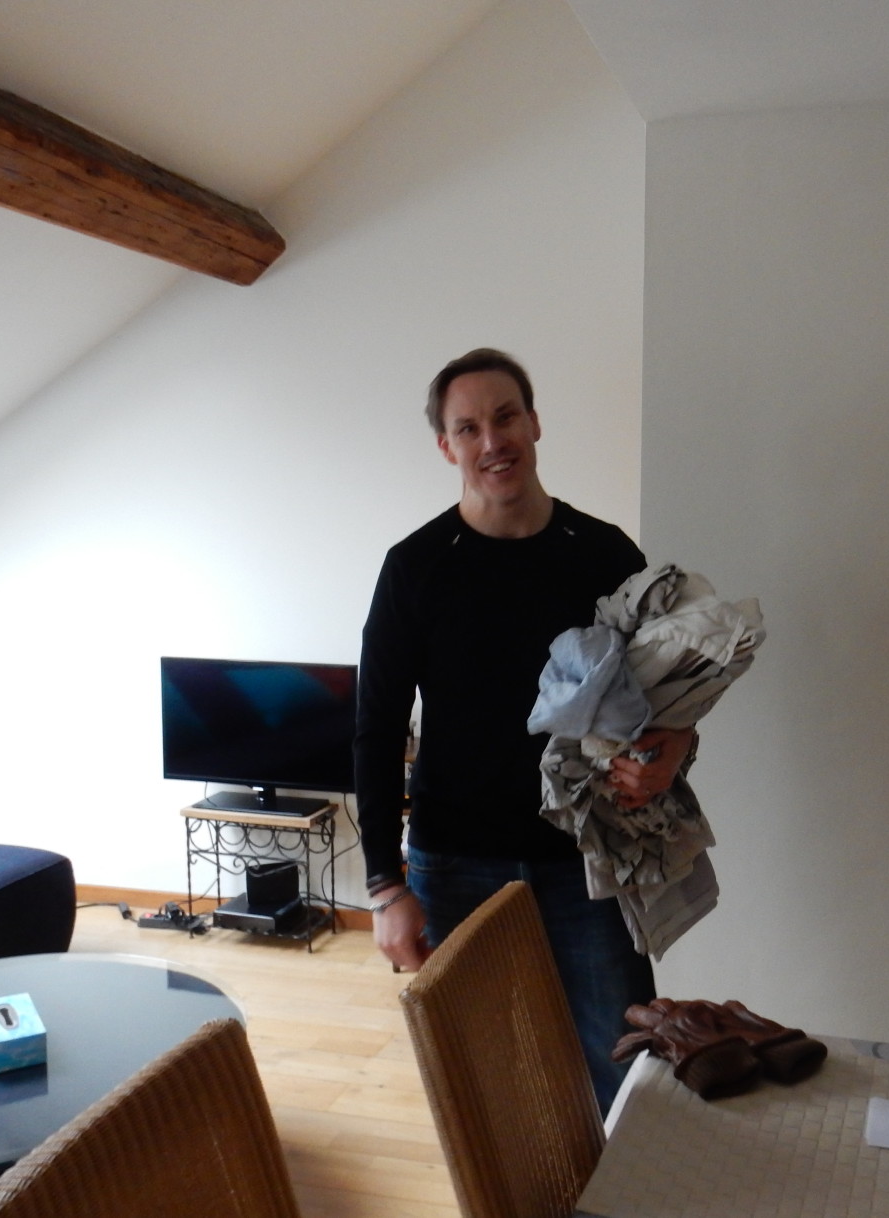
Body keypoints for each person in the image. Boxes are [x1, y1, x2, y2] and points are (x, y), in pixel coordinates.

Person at [353, 347, 693, 1111]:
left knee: (630, 1077)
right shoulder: (414, 567)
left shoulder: (604, 553)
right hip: (454, 866)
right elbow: (376, 728)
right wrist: (383, 885)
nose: (492, 441)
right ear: (447, 447)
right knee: (488, 1090)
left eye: (505, 417)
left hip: (587, 859)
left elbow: (668, 700)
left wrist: (671, 752)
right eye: (468, 428)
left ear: (534, 423)